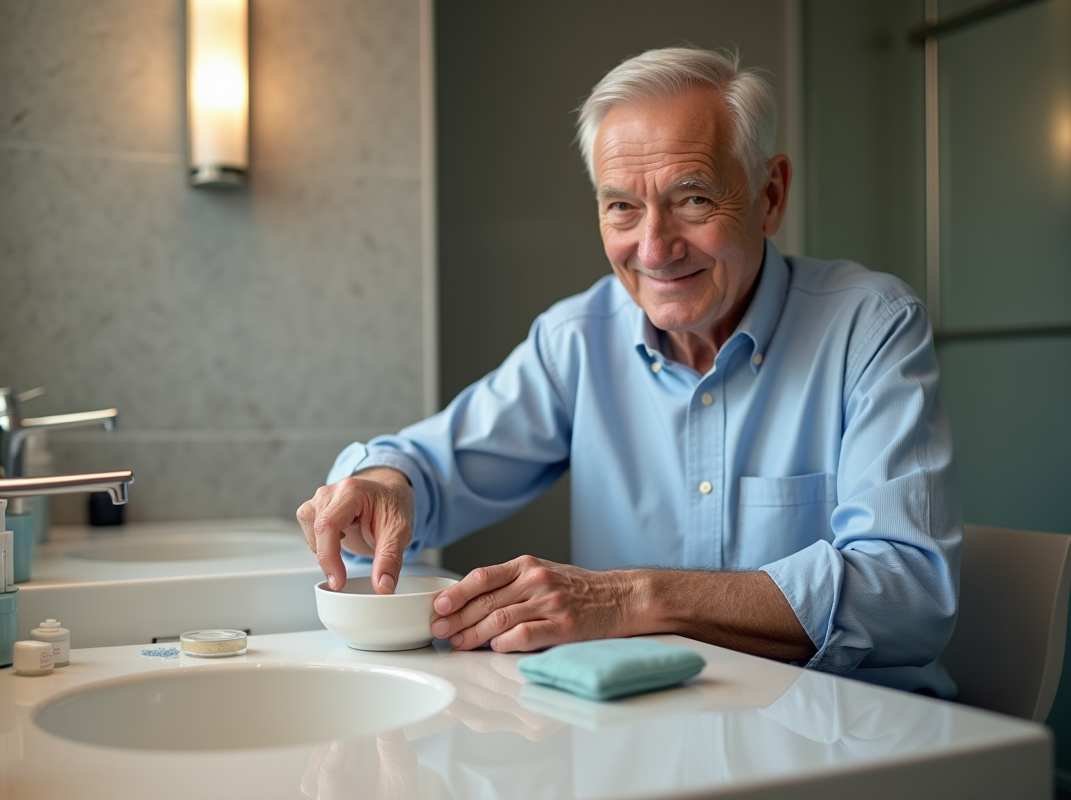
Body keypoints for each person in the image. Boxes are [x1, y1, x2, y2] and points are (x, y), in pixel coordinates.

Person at [296, 46, 961, 694]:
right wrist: (386, 484)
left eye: (693, 199)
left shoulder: (872, 326)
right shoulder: (576, 340)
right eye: (622, 207)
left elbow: (906, 597)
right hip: (645, 742)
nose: (654, 249)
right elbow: (429, 472)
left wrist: (629, 599)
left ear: (771, 193)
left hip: (849, 739)